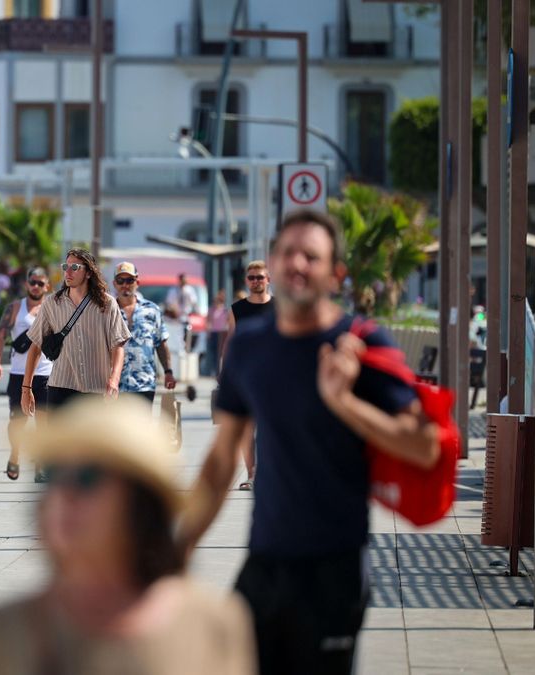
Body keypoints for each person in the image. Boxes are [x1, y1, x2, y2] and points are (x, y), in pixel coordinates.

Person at [179, 209, 440, 675]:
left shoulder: (359, 341)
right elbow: (221, 460)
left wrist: (345, 403)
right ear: (272, 265)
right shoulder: (250, 345)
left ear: (335, 273)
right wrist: (178, 547)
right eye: (287, 253)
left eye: (311, 256)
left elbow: (425, 445)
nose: (297, 263)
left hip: (333, 567)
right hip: (264, 561)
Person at [0, 396, 255, 675]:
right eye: (55, 472)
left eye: (87, 477)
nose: (63, 493)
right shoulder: (7, 630)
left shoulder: (212, 625)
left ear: (142, 500)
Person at [21, 248, 129, 414]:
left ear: (88, 273)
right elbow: (35, 346)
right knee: (59, 441)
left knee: (94, 441)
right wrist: (26, 388)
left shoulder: (107, 304)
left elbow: (118, 345)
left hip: (97, 391)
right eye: (66, 267)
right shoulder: (52, 303)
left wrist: (114, 380)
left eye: (75, 267)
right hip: (61, 388)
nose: (68, 272)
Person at [0, 267, 54, 481]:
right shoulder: (16, 308)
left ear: (47, 286)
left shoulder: (53, 308)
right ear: (27, 284)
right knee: (18, 420)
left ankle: (40, 465)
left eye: (40, 283)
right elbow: (0, 335)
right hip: (19, 373)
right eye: (32, 282)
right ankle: (15, 454)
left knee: (44, 422)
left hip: (45, 372)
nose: (36, 286)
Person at [226, 260, 275, 491]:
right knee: (247, 428)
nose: (256, 282)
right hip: (246, 375)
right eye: (252, 278)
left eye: (260, 277)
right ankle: (253, 474)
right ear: (246, 281)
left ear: (268, 279)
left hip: (276, 377)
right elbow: (231, 342)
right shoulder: (237, 309)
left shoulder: (280, 307)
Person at [114, 262, 176, 406]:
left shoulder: (151, 310)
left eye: (129, 280)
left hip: (144, 383)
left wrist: (168, 372)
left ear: (137, 282)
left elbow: (161, 343)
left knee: (141, 428)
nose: (125, 285)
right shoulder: (105, 311)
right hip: (115, 384)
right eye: (120, 280)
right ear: (114, 283)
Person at [205, 289, 229, 376]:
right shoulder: (211, 310)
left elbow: (228, 322)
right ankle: (216, 371)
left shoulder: (225, 310)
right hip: (214, 333)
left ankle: (222, 371)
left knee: (222, 353)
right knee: (214, 354)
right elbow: (208, 322)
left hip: (222, 333)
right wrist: (208, 333)